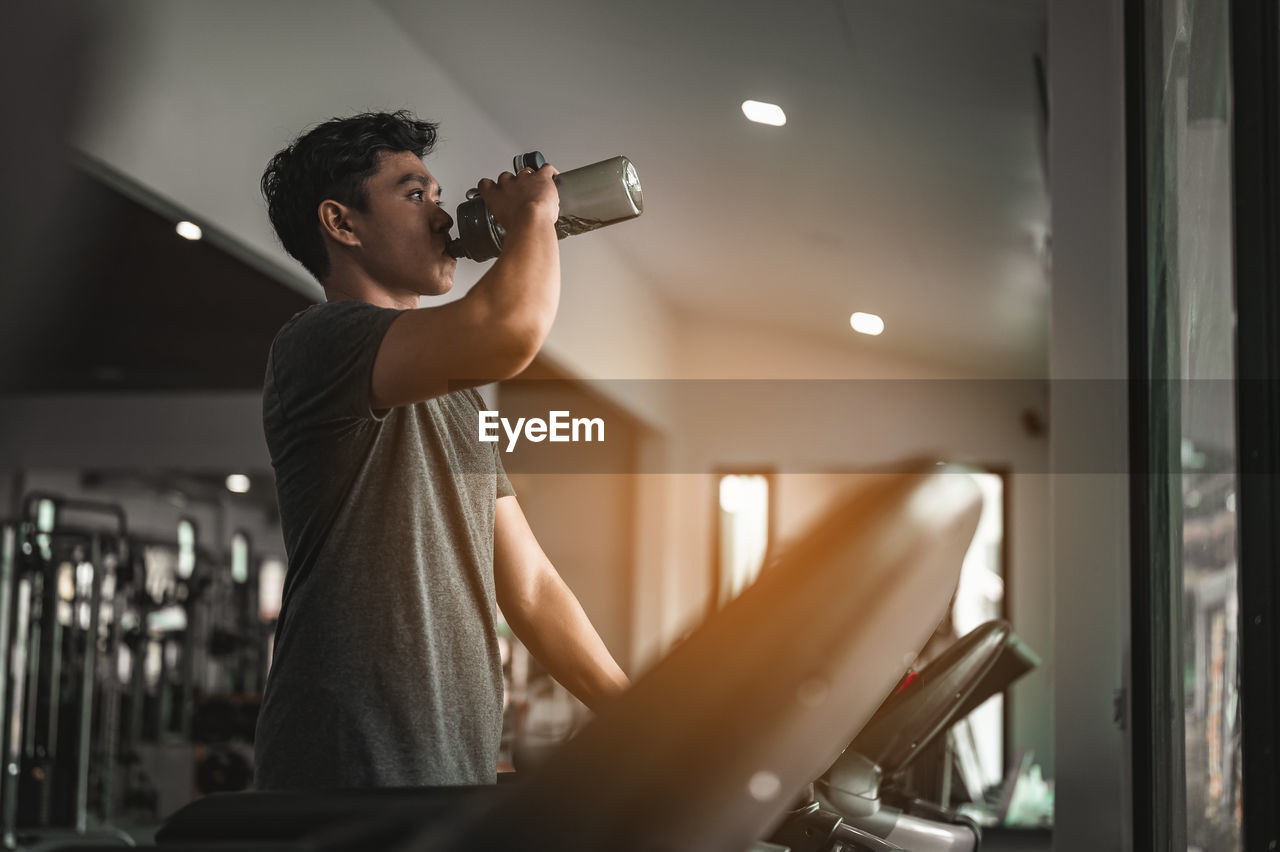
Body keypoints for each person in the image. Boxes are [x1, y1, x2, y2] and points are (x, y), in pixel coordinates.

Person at [253, 110, 629, 790]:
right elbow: (509, 329)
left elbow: (533, 587)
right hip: (347, 763)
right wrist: (534, 218)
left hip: (451, 765)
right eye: (415, 194)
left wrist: (640, 715)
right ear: (343, 223)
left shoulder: (456, 398)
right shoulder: (318, 344)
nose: (442, 214)